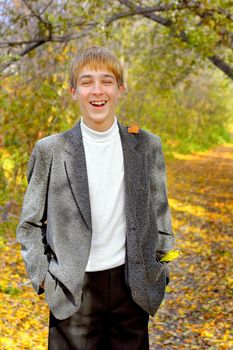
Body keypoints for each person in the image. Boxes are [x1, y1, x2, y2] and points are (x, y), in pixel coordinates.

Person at [16, 46, 175, 350]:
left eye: (107, 81)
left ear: (120, 89)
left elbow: (160, 213)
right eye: (87, 82)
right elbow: (29, 223)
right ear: (73, 91)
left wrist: (162, 269)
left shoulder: (147, 146)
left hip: (133, 288)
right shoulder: (50, 150)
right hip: (73, 292)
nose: (97, 91)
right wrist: (42, 278)